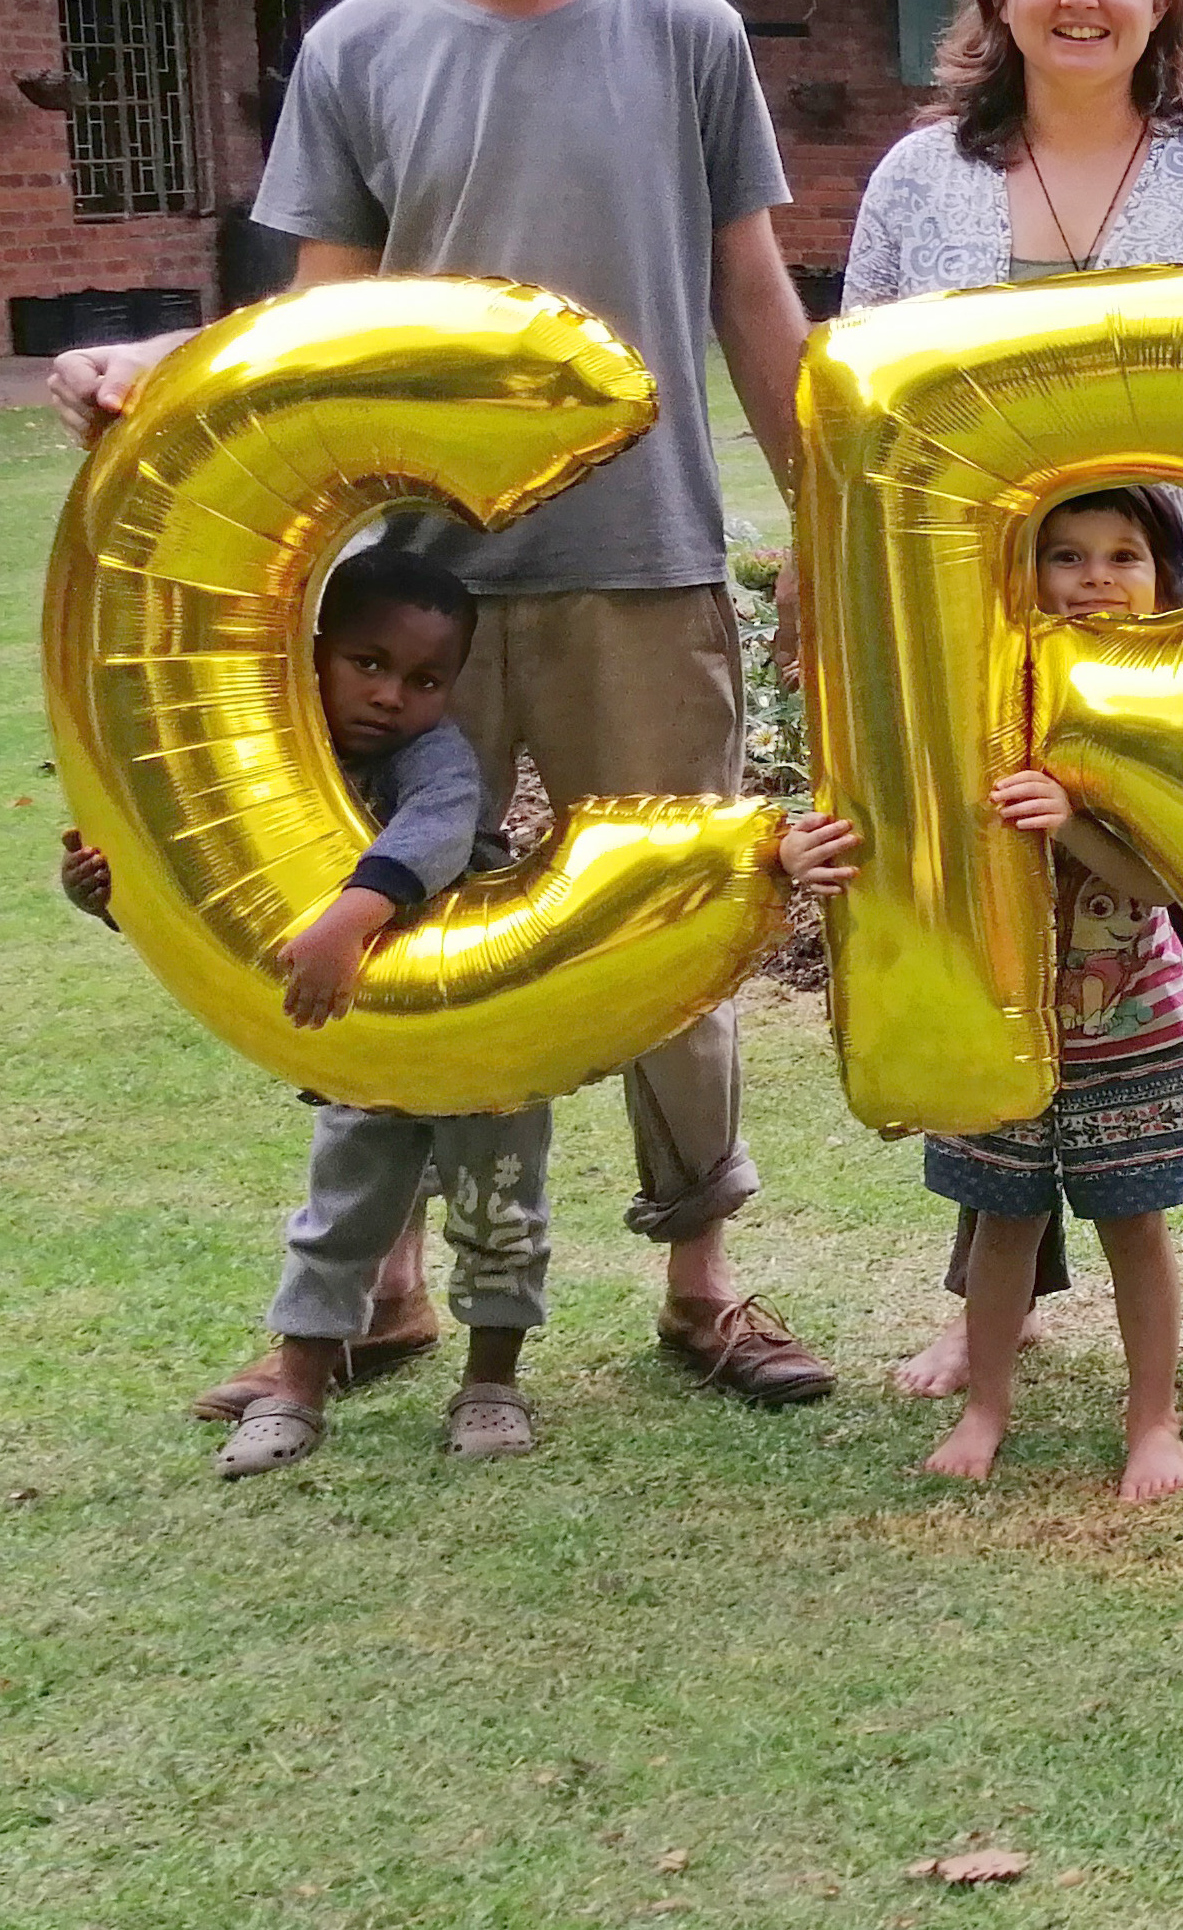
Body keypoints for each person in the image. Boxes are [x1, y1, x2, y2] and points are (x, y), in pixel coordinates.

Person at [47, 0, 838, 1415]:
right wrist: (149, 366)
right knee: (379, 920)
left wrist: (831, 540)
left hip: (645, 565)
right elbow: (311, 326)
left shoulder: (688, 32)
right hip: (416, 602)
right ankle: (377, 1292)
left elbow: (753, 300)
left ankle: (705, 1282)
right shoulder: (358, 46)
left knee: (686, 928)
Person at [845, 0, 1183, 1411]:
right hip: (973, 652)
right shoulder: (921, 181)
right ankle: (992, 1308)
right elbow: (856, 402)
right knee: (999, 956)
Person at [57, 547, 853, 1479]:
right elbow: (207, 883)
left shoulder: (433, 755)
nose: (393, 696)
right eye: (368, 665)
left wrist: (351, 918)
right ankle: (298, 1385)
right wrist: (106, 891)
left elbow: (436, 831)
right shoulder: (280, 754)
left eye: (426, 680)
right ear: (312, 654)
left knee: (501, 1208)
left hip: (483, 1022)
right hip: (376, 1041)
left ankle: (492, 1383)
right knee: (341, 1204)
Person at [917, 490, 1183, 1502]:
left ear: (1166, 585)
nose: (1097, 577)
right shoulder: (990, 691)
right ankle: (987, 1404)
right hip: (1003, 1013)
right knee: (1003, 1220)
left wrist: (1070, 820)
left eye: (1126, 556)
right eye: (1067, 556)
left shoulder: (1166, 708)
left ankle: (1153, 1418)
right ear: (1023, 574)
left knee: (1134, 1222)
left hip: (1129, 1019)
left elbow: (1168, 879)